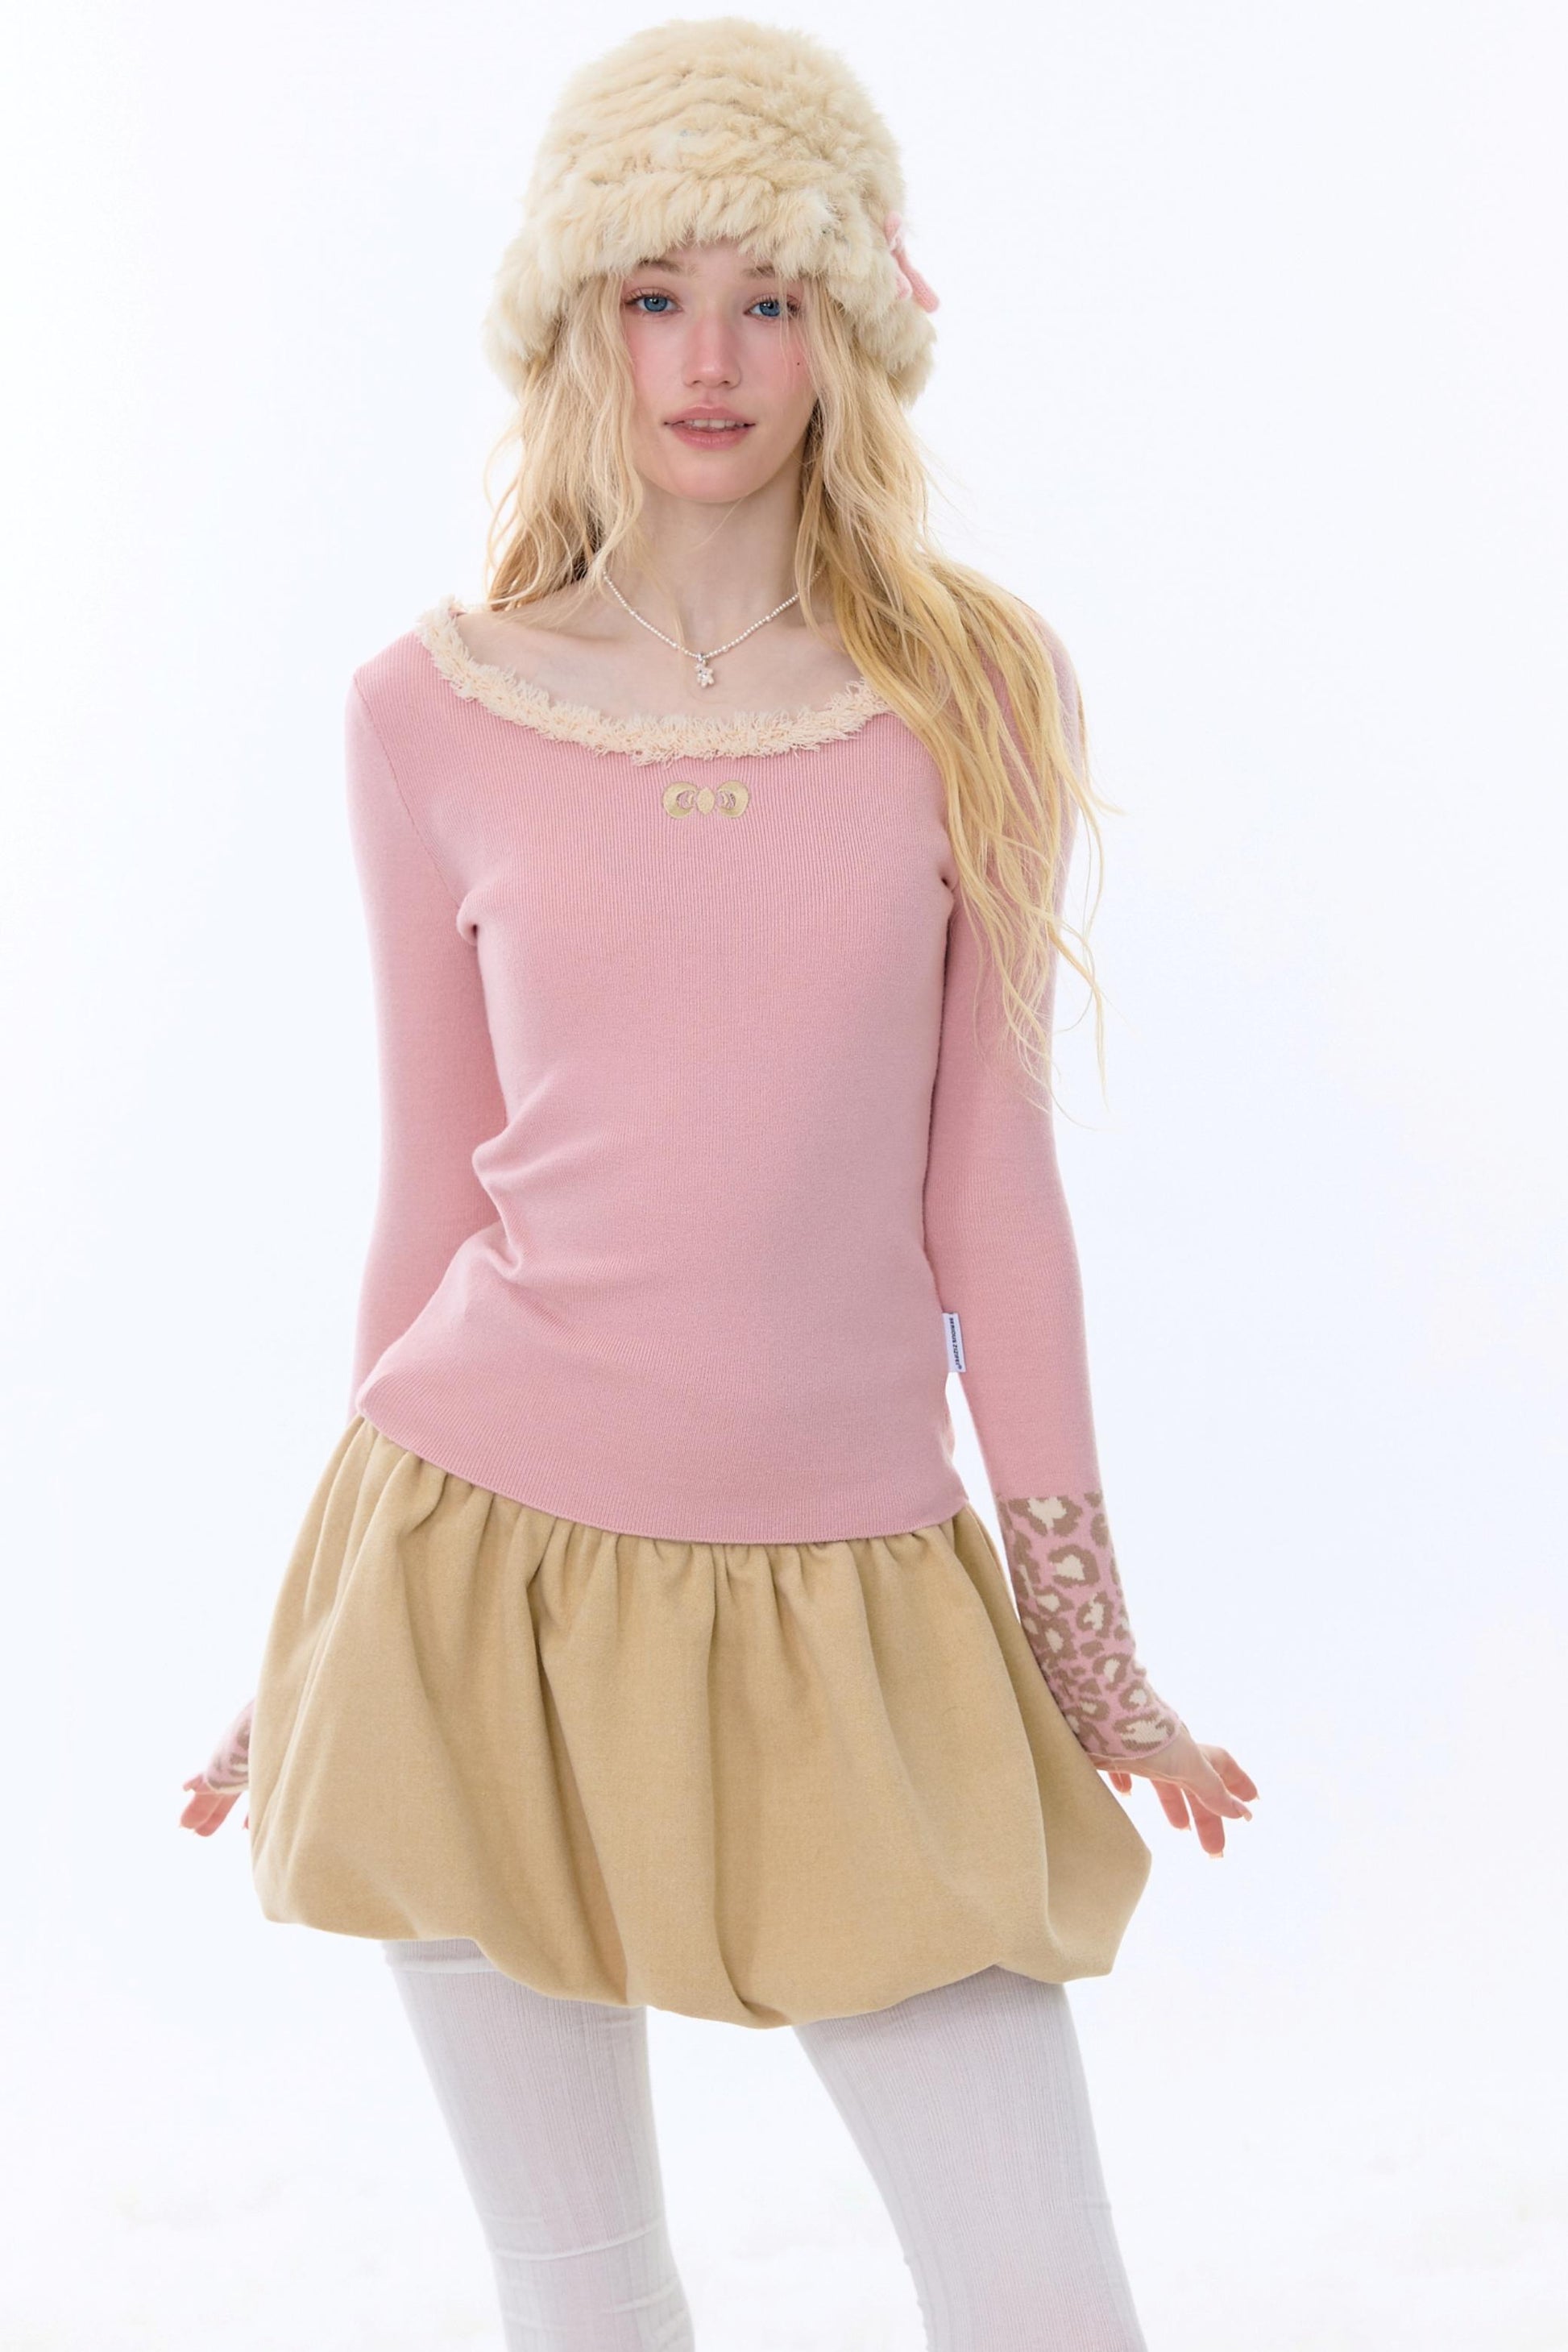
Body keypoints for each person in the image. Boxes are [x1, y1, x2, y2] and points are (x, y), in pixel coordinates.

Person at [180, 19, 1256, 2349]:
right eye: (653, 295)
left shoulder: (975, 689)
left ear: (853, 322)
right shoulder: (427, 708)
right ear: (570, 319)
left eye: (769, 298)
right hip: (469, 1576)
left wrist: (1089, 1651)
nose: (709, 360)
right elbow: (429, 1191)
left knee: (1041, 2304)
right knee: (582, 2296)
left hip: (847, 1599)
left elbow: (995, 1197)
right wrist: (306, 1651)